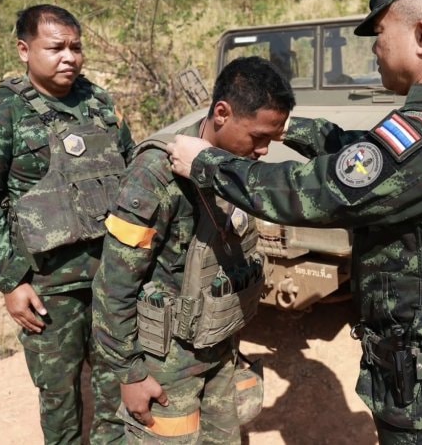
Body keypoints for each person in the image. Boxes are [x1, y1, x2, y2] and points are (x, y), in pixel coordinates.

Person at [167, 0, 422, 444]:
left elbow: (319, 192)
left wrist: (206, 163)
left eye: (379, 36)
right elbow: (370, 159)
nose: (374, 50)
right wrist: (290, 127)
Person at [92, 56, 295, 443]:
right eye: (258, 137)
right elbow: (113, 283)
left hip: (219, 345)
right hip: (166, 364)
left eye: (271, 139)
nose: (264, 151)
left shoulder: (232, 167)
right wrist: (130, 373)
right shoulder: (154, 174)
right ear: (222, 113)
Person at [0, 4, 133, 443]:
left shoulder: (99, 102)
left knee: (115, 385)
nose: (69, 57)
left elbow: (130, 177)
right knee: (59, 397)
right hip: (47, 287)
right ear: (24, 49)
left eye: (76, 47)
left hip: (110, 278)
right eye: (56, 48)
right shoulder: (0, 114)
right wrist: (11, 283)